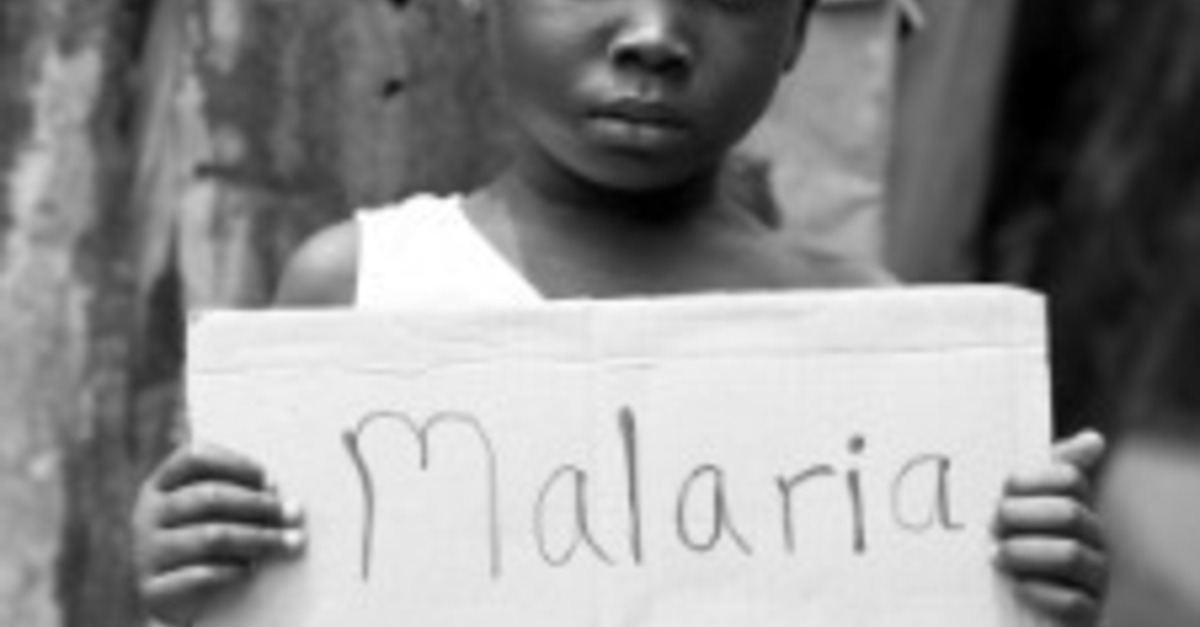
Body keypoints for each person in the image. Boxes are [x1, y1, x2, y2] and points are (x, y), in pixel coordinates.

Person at [131, 0, 1109, 625]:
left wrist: (1028, 584)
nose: (655, 33)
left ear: (800, 31)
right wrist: (192, 564)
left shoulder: (866, 335)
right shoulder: (359, 287)